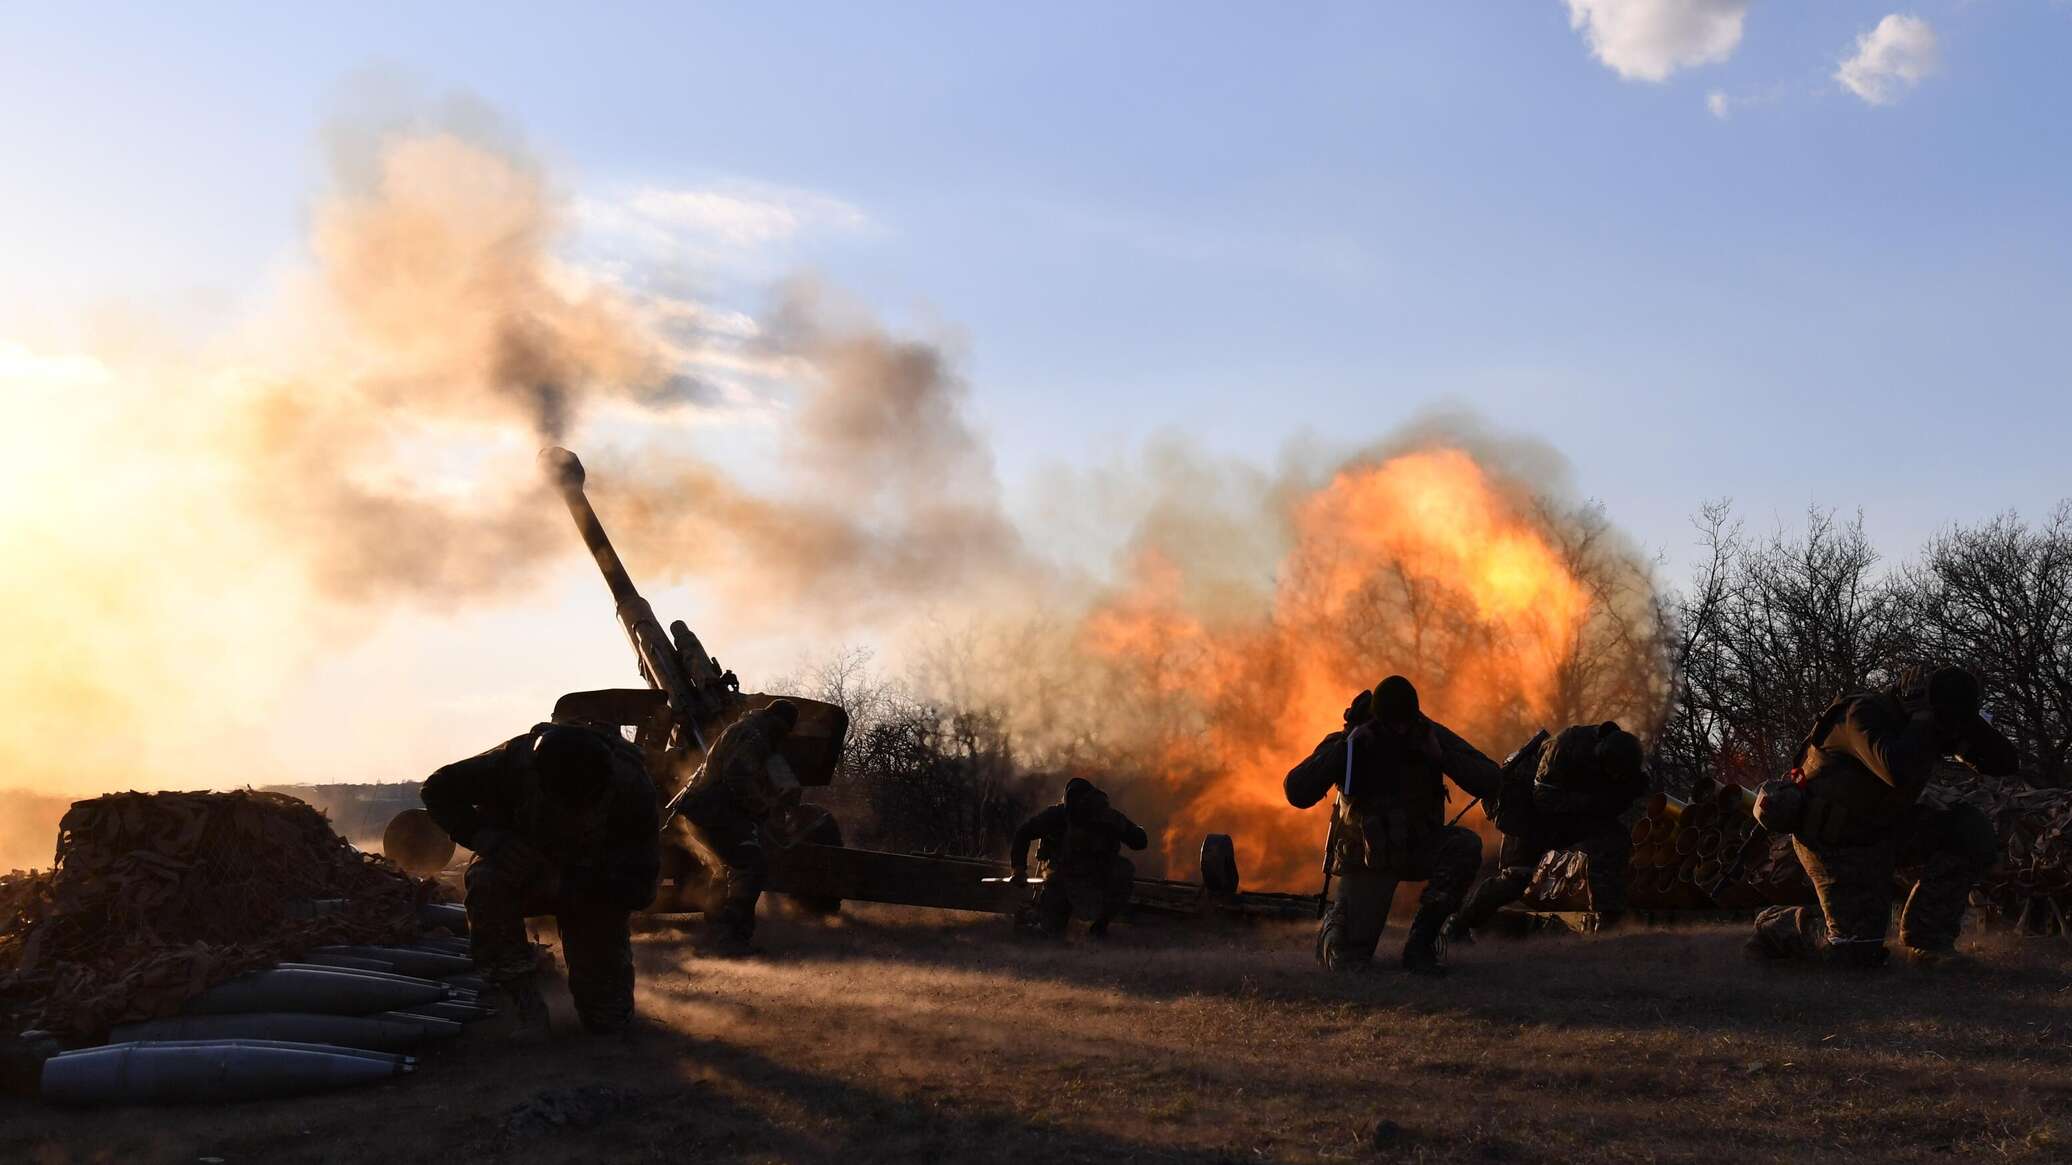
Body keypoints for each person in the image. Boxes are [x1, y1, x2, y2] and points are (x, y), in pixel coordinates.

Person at [1747, 664, 2016, 968]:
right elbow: (1896, 770)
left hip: (1886, 829)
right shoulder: (1862, 715)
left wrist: (1970, 733)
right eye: (1944, 721)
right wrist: (1924, 721)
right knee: (1856, 954)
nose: (1946, 731)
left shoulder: (1934, 725)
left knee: (1969, 829)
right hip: (1836, 845)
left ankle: (1927, 939)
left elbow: (2006, 763)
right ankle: (1776, 925)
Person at [420, 722, 659, 1036]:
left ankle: (601, 1001)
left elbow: (640, 890)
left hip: (589, 887)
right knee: (487, 882)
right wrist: (489, 839)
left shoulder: (633, 790)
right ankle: (521, 1002)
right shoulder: (511, 763)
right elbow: (437, 789)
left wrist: (570, 884)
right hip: (521, 871)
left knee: (609, 1021)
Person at [1284, 675, 1502, 974]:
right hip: (1368, 860)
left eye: (1406, 722)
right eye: (1392, 724)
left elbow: (1491, 780)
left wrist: (1442, 757)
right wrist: (1344, 750)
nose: (1400, 730)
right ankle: (1337, 924)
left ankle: (1421, 945)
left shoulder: (1428, 735)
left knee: (1464, 845)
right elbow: (1296, 791)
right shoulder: (1351, 741)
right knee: (1348, 965)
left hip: (1417, 848)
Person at [1445, 721, 1649, 942]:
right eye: (1614, 773)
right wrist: (1594, 803)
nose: (1617, 778)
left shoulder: (1623, 766)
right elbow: (1544, 797)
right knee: (1516, 878)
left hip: (1566, 812)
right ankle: (1459, 924)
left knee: (1612, 839)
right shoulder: (1564, 747)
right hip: (1523, 807)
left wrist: (1620, 797)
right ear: (1602, 757)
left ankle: (1610, 919)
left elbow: (1618, 798)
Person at [673, 699, 799, 948]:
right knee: (751, 865)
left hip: (703, 810)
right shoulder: (752, 735)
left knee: (727, 866)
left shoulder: (749, 731)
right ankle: (729, 937)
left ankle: (717, 929)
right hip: (712, 810)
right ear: (778, 722)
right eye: (784, 729)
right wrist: (762, 807)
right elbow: (738, 776)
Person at [1009, 777, 1149, 938]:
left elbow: (1139, 841)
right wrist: (1018, 869)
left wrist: (1133, 831)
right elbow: (1024, 833)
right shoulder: (1057, 815)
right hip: (1062, 880)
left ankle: (1100, 927)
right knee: (1050, 933)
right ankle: (1048, 922)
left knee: (1124, 870)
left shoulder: (1108, 818)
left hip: (1098, 880)